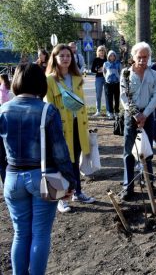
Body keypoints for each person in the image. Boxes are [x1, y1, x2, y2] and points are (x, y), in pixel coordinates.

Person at [1, 63, 76, 275]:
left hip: (13, 177)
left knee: (20, 233)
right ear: (40, 83)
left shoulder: (3, 110)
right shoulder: (47, 110)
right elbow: (60, 152)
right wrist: (70, 181)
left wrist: (4, 179)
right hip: (42, 177)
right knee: (40, 233)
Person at [46, 44, 95, 213]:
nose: (66, 58)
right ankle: (61, 199)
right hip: (60, 128)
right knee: (62, 162)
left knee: (76, 160)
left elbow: (82, 105)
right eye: (62, 56)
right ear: (55, 58)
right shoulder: (50, 80)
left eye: (68, 55)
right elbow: (49, 108)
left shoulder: (77, 77)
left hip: (78, 126)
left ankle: (78, 192)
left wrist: (86, 126)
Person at [119, 42, 156, 201]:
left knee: (147, 150)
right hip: (132, 117)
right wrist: (136, 114)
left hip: (148, 117)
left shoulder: (154, 74)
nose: (143, 60)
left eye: (146, 57)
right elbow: (124, 97)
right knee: (129, 153)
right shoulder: (126, 74)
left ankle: (149, 182)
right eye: (139, 57)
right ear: (133, 57)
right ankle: (128, 186)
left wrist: (145, 114)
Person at [103, 50, 121, 119]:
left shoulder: (118, 63)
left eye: (113, 55)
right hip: (108, 83)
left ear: (115, 56)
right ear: (108, 56)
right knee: (109, 98)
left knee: (116, 98)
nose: (112, 57)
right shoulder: (105, 63)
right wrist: (107, 78)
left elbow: (120, 71)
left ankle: (116, 112)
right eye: (110, 55)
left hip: (116, 83)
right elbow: (104, 72)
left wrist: (118, 78)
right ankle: (110, 113)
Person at [91, 45, 108, 116]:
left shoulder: (107, 59)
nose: (101, 52)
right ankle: (98, 111)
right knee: (98, 95)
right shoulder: (96, 59)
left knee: (107, 95)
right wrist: (98, 70)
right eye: (100, 50)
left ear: (105, 51)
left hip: (107, 78)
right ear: (98, 52)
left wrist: (106, 71)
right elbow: (92, 70)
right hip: (98, 78)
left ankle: (108, 111)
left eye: (103, 50)